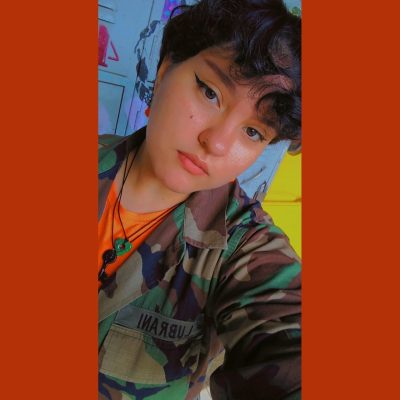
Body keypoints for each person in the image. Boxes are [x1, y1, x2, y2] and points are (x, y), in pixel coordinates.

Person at [98, 0, 301, 399]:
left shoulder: (244, 248)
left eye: (254, 132)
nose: (217, 142)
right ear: (164, 68)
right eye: (210, 92)